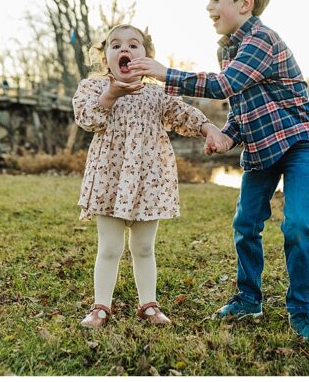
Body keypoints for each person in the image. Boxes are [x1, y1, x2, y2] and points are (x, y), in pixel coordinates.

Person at [128, 0, 309, 342]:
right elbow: (239, 106)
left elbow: (224, 85)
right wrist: (224, 135)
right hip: (261, 149)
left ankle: (302, 311)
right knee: (245, 224)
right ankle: (248, 299)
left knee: (297, 226)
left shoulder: (262, 41)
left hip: (299, 143)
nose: (208, 7)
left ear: (245, 3)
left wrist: (163, 72)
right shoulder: (227, 49)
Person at [72, 24, 231, 328]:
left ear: (146, 58)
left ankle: (149, 305)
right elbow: (87, 118)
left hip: (150, 180)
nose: (125, 50)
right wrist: (110, 94)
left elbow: (183, 114)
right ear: (105, 58)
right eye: (116, 45)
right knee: (109, 247)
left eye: (134, 45)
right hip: (110, 180)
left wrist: (209, 128)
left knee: (144, 248)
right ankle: (100, 307)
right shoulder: (93, 88)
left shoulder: (156, 95)